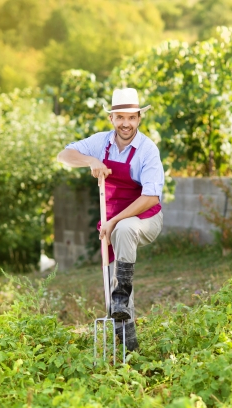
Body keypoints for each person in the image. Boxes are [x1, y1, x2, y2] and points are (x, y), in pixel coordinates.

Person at [57, 87, 164, 351]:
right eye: (120, 117)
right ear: (112, 119)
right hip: (111, 223)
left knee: (125, 229)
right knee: (111, 284)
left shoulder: (148, 150)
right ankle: (129, 346)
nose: (125, 123)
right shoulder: (101, 142)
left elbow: (151, 197)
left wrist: (114, 221)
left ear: (139, 118)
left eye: (131, 117)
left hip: (144, 218)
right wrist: (91, 160)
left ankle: (120, 294)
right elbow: (64, 155)